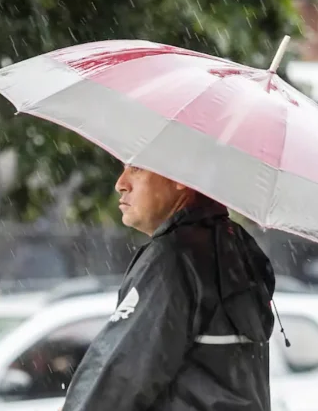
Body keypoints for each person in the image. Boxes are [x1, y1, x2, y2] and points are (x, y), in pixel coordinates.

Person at [61, 165, 276, 411]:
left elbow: (121, 372)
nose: (120, 183)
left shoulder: (174, 257)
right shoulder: (236, 245)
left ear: (179, 177)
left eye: (137, 169)